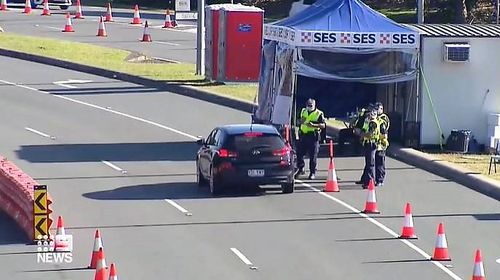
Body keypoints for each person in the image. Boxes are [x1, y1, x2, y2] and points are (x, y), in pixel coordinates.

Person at [295, 98, 326, 180]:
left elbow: (323, 125)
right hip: (303, 135)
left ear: (314, 105)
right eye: (308, 105)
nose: (309, 107)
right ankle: (301, 168)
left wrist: (314, 125)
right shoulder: (303, 111)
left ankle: (312, 172)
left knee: (313, 156)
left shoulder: (319, 113)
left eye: (311, 106)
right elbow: (297, 121)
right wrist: (300, 121)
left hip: (313, 136)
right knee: (299, 153)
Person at [357, 107, 380, 188]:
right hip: (367, 143)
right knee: (368, 163)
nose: (368, 115)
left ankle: (370, 182)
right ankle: (366, 181)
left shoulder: (373, 123)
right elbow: (362, 129)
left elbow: (370, 134)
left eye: (370, 113)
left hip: (371, 143)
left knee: (370, 164)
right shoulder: (368, 121)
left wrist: (361, 134)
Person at [375, 102, 390, 187]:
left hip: (381, 144)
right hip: (375, 144)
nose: (377, 110)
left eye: (379, 108)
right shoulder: (375, 118)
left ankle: (380, 179)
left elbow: (384, 133)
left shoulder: (383, 119)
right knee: (375, 162)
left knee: (380, 163)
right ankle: (375, 178)